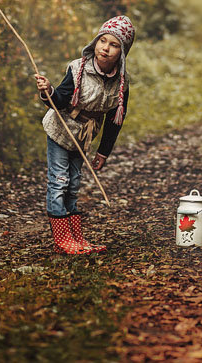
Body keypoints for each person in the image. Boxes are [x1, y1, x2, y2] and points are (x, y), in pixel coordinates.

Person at [34, 15, 134, 255]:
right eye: (103, 41)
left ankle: (76, 238)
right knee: (59, 182)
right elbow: (58, 102)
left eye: (114, 45)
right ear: (95, 42)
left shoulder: (121, 83)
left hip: (83, 137)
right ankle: (62, 240)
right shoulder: (78, 68)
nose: (106, 49)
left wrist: (103, 152)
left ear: (122, 52)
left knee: (74, 185)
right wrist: (48, 91)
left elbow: (114, 121)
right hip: (61, 129)